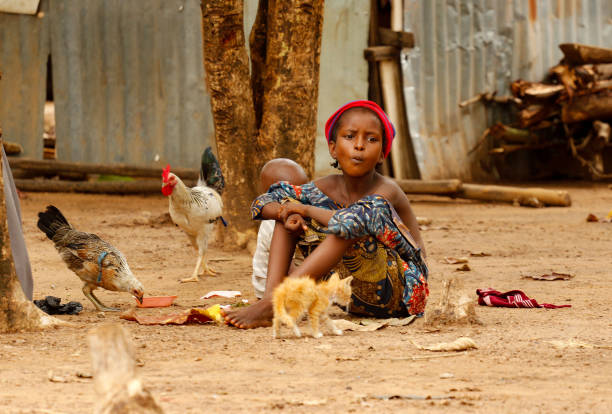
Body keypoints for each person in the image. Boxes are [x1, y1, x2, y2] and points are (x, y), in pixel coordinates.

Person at [223, 100, 429, 328]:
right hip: (354, 295)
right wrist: (287, 213)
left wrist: (306, 209)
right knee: (290, 211)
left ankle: (274, 302)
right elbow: (263, 202)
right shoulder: (324, 187)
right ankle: (273, 303)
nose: (359, 145)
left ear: (382, 154)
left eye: (371, 139)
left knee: (346, 227)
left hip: (403, 292)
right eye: (350, 137)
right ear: (332, 148)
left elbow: (352, 222)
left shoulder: (388, 190)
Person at [252, 159, 309, 299]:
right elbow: (287, 269)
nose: (300, 199)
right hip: (274, 290)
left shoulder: (301, 215)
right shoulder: (274, 224)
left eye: (303, 192)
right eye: (291, 196)